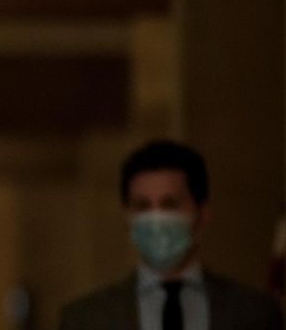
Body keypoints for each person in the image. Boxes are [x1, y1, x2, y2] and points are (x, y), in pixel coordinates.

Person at [58, 140, 282, 330]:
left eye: (169, 204)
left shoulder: (254, 313)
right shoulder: (86, 319)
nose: (156, 219)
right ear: (128, 216)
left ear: (201, 214)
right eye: (143, 206)